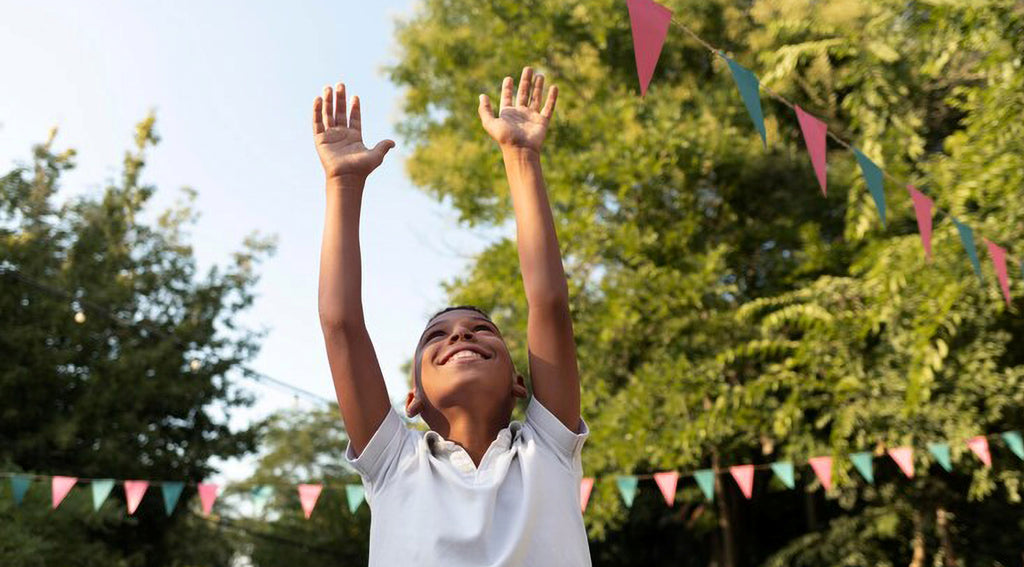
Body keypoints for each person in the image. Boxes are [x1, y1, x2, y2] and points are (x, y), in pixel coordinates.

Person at [314, 66, 591, 567]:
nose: (460, 334)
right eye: (435, 338)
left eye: (482, 330)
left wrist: (522, 157)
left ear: (520, 383)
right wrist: (342, 183)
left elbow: (548, 301)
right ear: (413, 398)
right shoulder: (394, 462)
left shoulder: (548, 448)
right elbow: (341, 324)